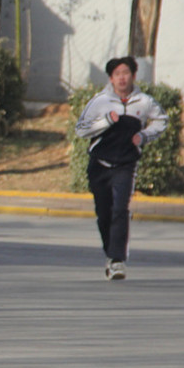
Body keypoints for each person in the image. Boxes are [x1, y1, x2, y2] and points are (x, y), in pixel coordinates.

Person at [73, 56, 168, 280]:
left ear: (133, 76)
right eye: (117, 74)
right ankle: (110, 252)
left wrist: (143, 135)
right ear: (111, 79)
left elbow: (161, 120)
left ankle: (117, 261)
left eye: (126, 73)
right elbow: (81, 129)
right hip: (99, 164)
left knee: (120, 210)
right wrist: (106, 120)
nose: (122, 78)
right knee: (104, 213)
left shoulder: (144, 102)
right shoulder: (100, 101)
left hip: (125, 164)